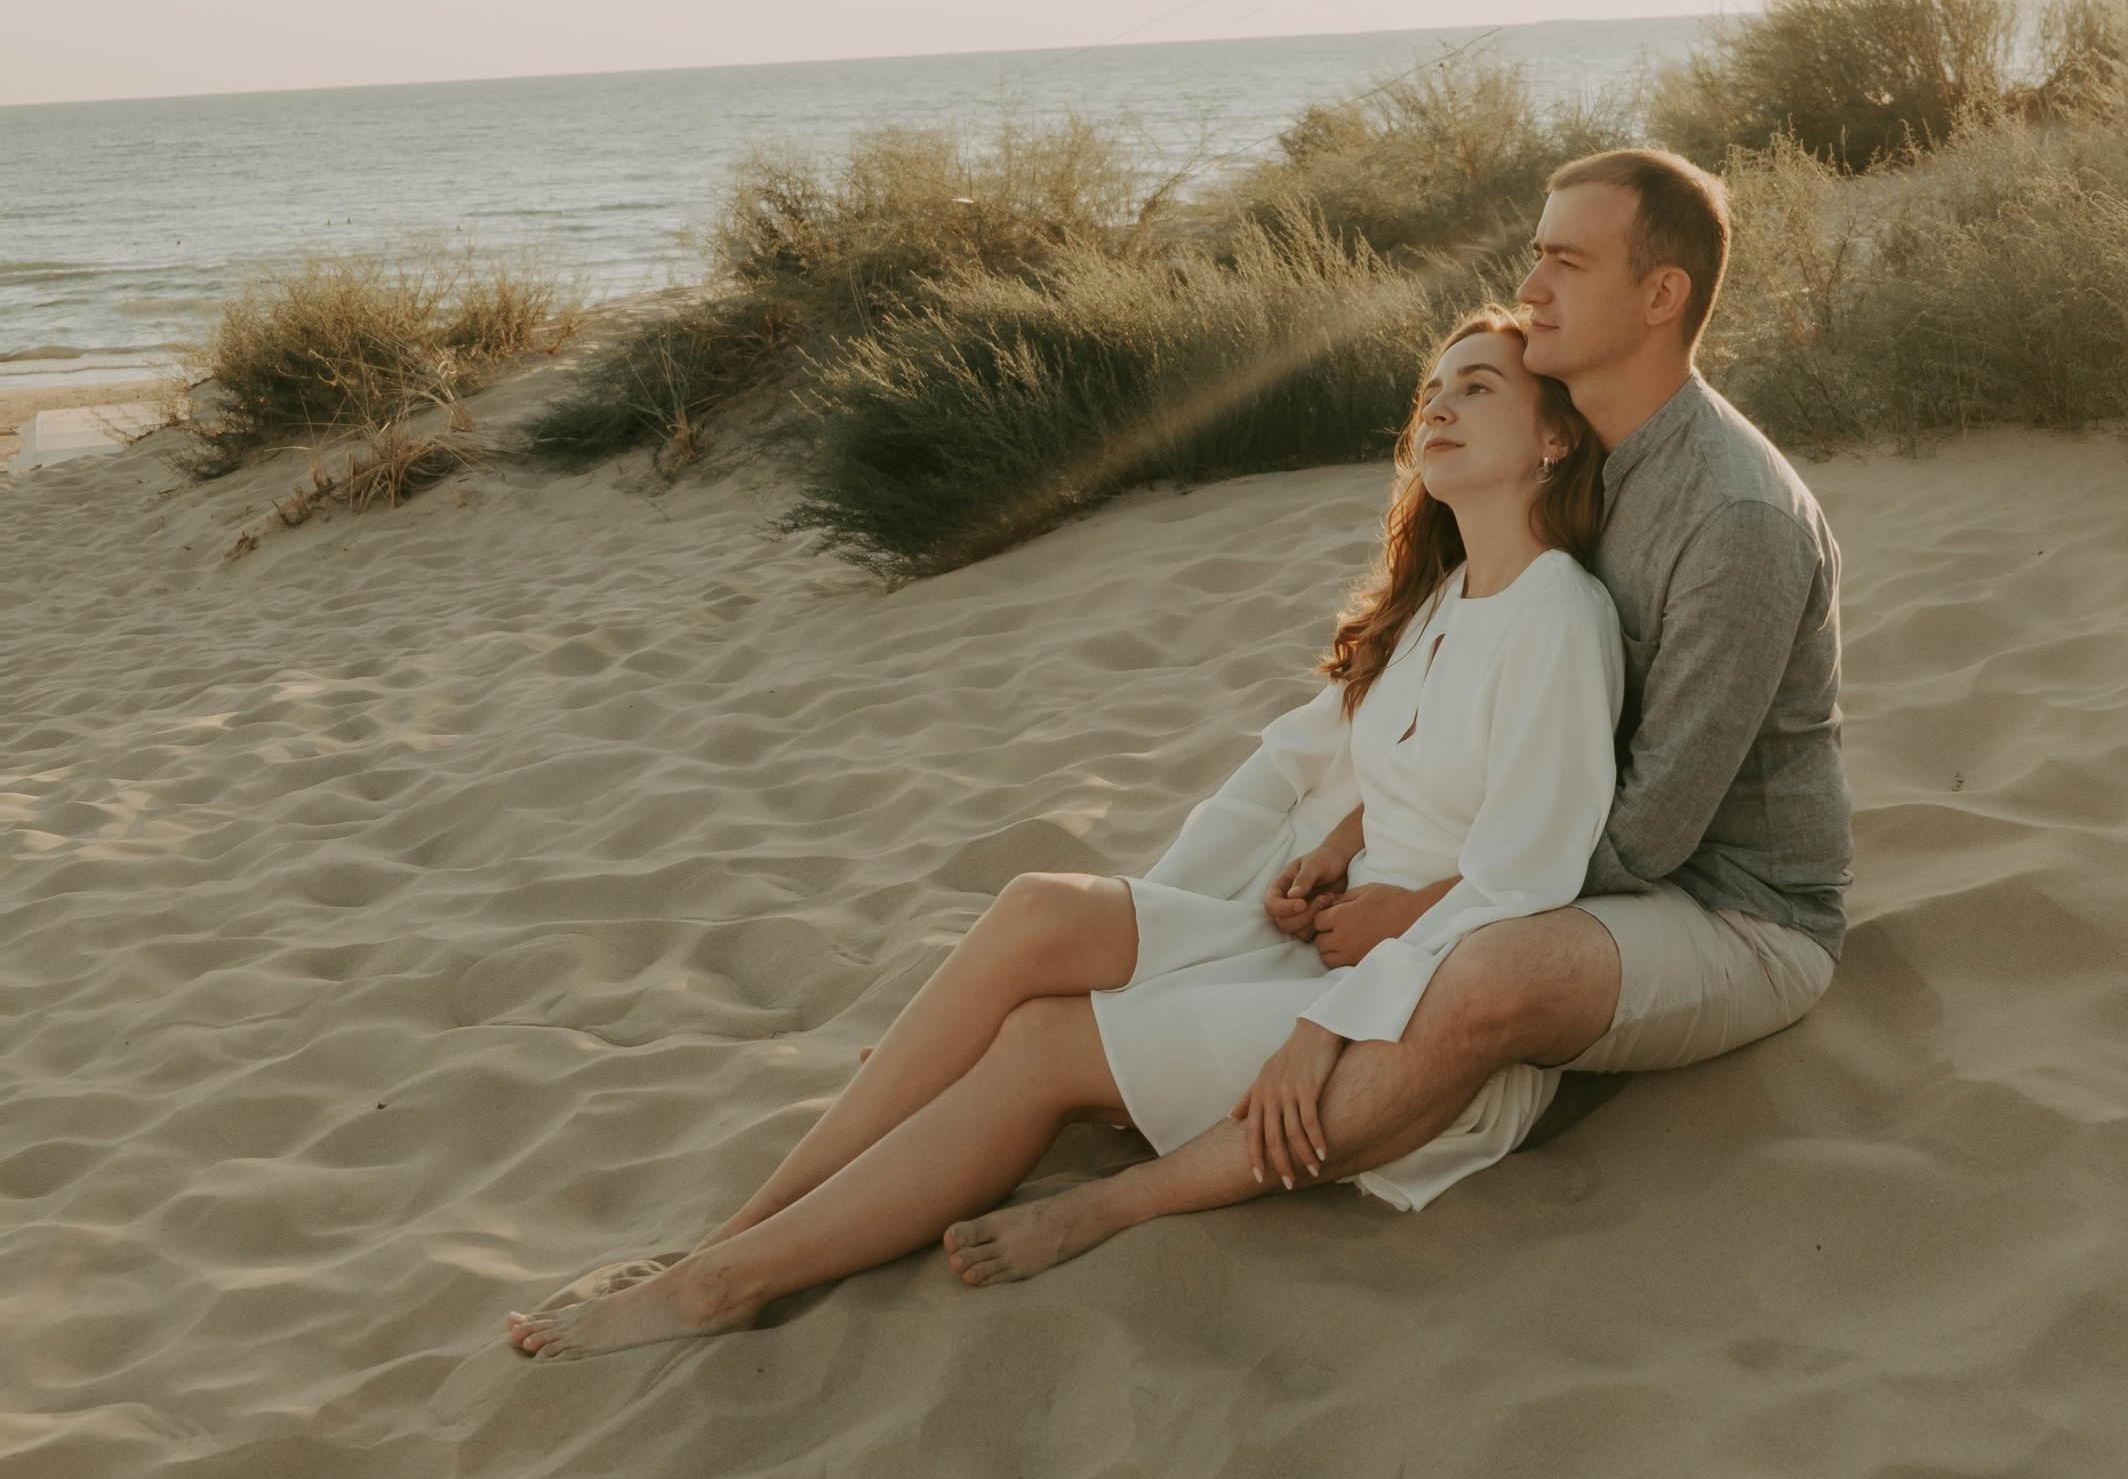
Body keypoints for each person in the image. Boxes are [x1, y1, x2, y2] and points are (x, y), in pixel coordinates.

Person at [505, 309, 1623, 1356]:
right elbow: (1419, 765)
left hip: (1402, 1013)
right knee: (1039, 906)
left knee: (1040, 1043)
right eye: (1432, 387)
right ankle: (739, 1228)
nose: (1438, 406)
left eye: (1477, 388)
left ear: (1556, 440)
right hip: (1330, 936)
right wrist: (1335, 846)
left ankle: (724, 1284)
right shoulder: (1444, 598)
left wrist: (1342, 996)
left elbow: (1530, 874)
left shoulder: (1560, 616)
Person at [956, 139, 1849, 1243]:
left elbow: (1654, 832)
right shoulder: (1589, 462)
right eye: (1535, 257)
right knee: (1315, 786)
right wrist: (1352, 837)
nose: (1529, 289)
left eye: (1565, 263)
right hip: (1561, 851)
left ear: (1660, 295)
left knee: (1483, 972)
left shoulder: (1731, 521)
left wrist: (1413, 917)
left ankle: (1124, 1199)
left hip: (1729, 909)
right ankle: (1131, 1034)